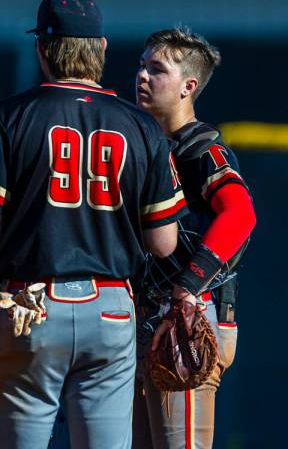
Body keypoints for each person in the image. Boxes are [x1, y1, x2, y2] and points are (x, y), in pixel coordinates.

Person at [0, 0, 188, 448]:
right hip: (111, 309)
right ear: (103, 49)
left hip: (32, 308)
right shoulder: (141, 125)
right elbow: (163, 242)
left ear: (42, 49)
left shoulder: (10, 117)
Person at [132, 26, 256, 449]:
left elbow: (240, 214)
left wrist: (187, 286)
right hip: (150, 313)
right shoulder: (146, 144)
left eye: (156, 69)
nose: (143, 76)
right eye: (141, 66)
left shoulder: (201, 148)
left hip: (190, 313)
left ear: (189, 86)